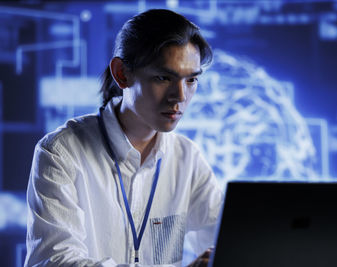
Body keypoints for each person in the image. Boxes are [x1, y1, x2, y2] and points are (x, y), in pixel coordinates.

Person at [25, 9, 223, 267]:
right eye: (164, 77)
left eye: (191, 80)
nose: (180, 97)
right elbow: (55, 262)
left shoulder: (187, 158)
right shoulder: (61, 153)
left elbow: (225, 237)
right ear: (121, 73)